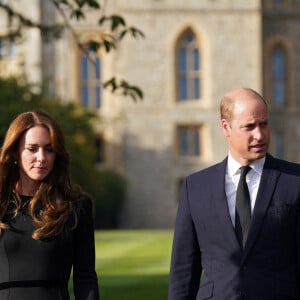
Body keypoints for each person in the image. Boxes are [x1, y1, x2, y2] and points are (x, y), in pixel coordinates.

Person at [168, 87, 300, 300]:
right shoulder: (195, 187)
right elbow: (182, 272)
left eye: (264, 124)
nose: (259, 134)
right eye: (249, 126)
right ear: (226, 127)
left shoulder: (295, 181)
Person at [0, 110, 100, 300]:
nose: (42, 157)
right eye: (32, 148)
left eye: (49, 149)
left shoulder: (76, 207)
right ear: (14, 151)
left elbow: (85, 277)